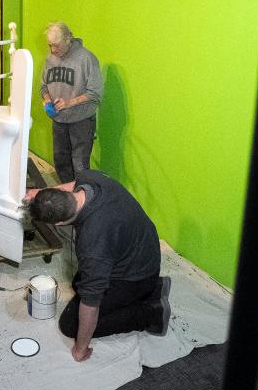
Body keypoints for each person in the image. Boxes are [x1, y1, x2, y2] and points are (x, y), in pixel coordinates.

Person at [26, 169, 171, 362]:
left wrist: (80, 348)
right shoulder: (92, 179)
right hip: (142, 250)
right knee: (80, 283)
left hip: (135, 276)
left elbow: (91, 304)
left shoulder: (93, 242)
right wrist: (40, 195)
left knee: (71, 324)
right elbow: (70, 184)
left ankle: (151, 313)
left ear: (59, 223)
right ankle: (153, 289)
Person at [40, 22, 104, 183]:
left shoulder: (87, 59)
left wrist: (70, 102)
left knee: (80, 164)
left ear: (68, 39)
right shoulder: (50, 59)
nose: (53, 50)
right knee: (60, 161)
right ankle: (67, 197)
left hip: (81, 121)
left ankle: (82, 198)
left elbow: (95, 93)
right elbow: (43, 86)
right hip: (59, 120)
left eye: (57, 46)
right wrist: (47, 101)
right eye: (50, 45)